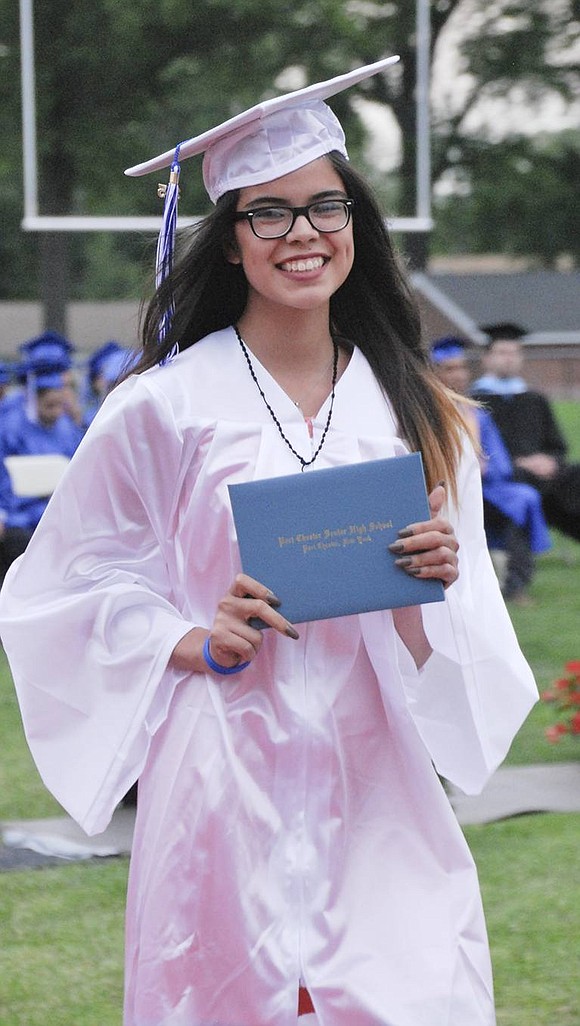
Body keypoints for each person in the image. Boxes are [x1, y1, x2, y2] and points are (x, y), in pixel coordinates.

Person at [0, 57, 537, 1026]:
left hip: (377, 779)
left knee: (412, 994)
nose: (302, 234)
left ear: (355, 227)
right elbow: (63, 586)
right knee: (219, 997)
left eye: (325, 207)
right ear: (231, 240)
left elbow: (459, 653)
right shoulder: (161, 408)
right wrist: (192, 636)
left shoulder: (420, 413)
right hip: (221, 771)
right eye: (268, 213)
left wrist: (437, 586)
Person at [430, 336, 551, 604]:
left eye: (462, 368)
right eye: (450, 368)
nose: (459, 375)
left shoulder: (475, 412)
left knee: (523, 498)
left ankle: (516, 582)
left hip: (485, 486)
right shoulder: (427, 412)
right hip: (445, 489)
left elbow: (498, 459)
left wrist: (485, 466)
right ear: (433, 372)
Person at [471, 322, 580, 542]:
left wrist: (551, 461)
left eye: (514, 353)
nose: (509, 358)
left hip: (543, 476)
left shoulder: (534, 400)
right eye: (502, 352)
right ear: (487, 359)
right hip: (502, 475)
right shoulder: (475, 401)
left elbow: (557, 446)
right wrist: (519, 463)